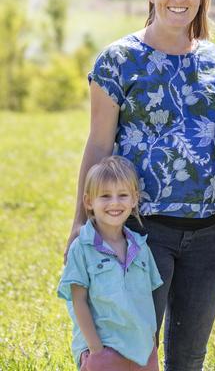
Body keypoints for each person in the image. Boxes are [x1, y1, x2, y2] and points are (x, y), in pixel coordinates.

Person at [64, 0, 215, 371]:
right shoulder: (118, 60)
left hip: (209, 231)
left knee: (189, 357)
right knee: (131, 350)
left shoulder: (214, 59)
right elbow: (99, 145)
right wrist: (80, 223)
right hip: (140, 230)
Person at [58, 156, 162, 371]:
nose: (114, 203)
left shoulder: (141, 247)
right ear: (89, 202)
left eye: (122, 195)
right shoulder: (83, 247)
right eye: (105, 196)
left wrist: (151, 342)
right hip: (104, 350)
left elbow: (147, 299)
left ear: (134, 199)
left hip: (143, 352)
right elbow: (79, 302)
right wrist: (96, 351)